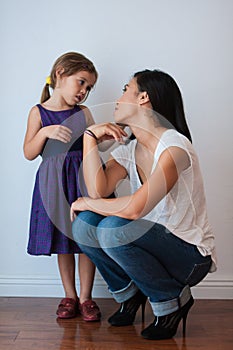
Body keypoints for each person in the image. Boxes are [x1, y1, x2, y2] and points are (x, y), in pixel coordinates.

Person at [70, 69, 217, 340]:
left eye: (126, 88)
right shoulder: (129, 150)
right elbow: (99, 189)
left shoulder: (174, 146)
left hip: (189, 257)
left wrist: (90, 202)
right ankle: (130, 293)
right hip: (153, 248)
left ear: (143, 98)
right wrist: (89, 137)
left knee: (113, 227)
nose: (119, 96)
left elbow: (136, 208)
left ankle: (171, 301)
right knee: (84, 226)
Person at [23, 52, 101, 321]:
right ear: (60, 73)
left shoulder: (83, 113)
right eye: (81, 82)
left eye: (88, 88)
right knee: (64, 241)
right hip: (54, 184)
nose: (84, 92)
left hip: (82, 180)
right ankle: (69, 295)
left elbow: (95, 146)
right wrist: (44, 132)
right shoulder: (39, 112)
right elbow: (29, 153)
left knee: (86, 238)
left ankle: (87, 297)